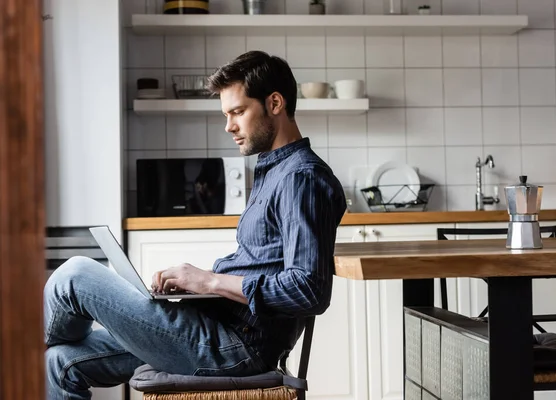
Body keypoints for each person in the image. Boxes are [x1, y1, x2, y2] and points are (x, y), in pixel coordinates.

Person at [44, 50, 347, 400]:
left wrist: (209, 280)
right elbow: (263, 265)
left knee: (76, 274)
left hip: (234, 346)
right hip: (214, 327)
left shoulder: (302, 178)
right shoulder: (275, 171)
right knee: (59, 360)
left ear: (275, 103)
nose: (229, 125)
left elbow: (308, 290)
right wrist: (201, 287)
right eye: (226, 114)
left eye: (237, 112)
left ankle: (17, 353)